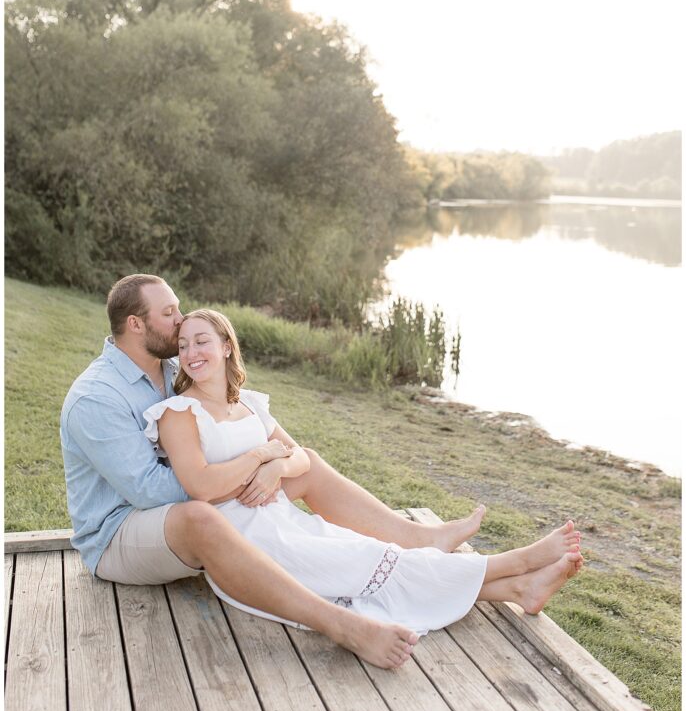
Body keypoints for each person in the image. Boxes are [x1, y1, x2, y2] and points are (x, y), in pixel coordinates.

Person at [60, 273, 491, 668]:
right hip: (117, 535)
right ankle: (343, 625)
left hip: (192, 503)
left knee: (307, 467)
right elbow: (151, 492)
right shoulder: (96, 397)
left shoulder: (172, 367)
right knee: (201, 518)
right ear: (136, 325)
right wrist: (254, 466)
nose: (180, 321)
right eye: (169, 313)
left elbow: (247, 434)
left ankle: (422, 539)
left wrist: (275, 464)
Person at [142, 306, 584, 636]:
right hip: (245, 538)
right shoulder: (179, 411)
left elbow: (301, 457)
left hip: (285, 521)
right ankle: (516, 563)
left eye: (201, 341)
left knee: (370, 568)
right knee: (371, 561)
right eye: (182, 346)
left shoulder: (250, 403)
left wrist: (277, 463)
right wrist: (260, 457)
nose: (190, 352)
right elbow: (199, 486)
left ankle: (516, 590)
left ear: (225, 346)